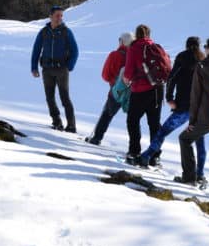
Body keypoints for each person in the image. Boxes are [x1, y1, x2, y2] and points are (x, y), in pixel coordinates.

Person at [134, 36, 202, 167]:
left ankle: (146, 156)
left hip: (183, 105)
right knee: (199, 140)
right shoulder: (203, 60)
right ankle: (198, 174)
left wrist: (169, 97)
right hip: (199, 108)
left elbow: (172, 78)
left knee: (162, 132)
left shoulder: (183, 57)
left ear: (187, 45)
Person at [175, 37, 209, 186]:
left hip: (208, 115)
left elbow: (196, 96)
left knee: (185, 139)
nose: (205, 48)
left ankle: (189, 178)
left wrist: (192, 121)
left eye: (207, 46)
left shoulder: (202, 67)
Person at [30, 5, 79, 131]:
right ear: (50, 16)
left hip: (62, 70)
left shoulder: (66, 32)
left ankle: (71, 125)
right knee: (49, 98)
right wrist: (34, 67)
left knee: (65, 98)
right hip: (47, 70)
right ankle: (57, 122)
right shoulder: (44, 32)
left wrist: (69, 66)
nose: (60, 18)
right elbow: (36, 50)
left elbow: (75, 51)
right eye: (57, 15)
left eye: (61, 16)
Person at [122, 24, 167, 162]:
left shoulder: (134, 48)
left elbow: (128, 72)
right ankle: (154, 155)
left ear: (136, 35)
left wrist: (126, 81)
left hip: (140, 90)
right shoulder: (156, 47)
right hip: (157, 90)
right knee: (154, 123)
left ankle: (134, 151)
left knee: (133, 120)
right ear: (149, 34)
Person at [86, 32, 133, 145]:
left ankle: (97, 138)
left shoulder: (115, 55)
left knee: (107, 113)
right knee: (133, 119)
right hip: (132, 90)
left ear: (122, 41)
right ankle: (134, 147)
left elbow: (105, 75)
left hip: (116, 89)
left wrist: (113, 81)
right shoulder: (135, 56)